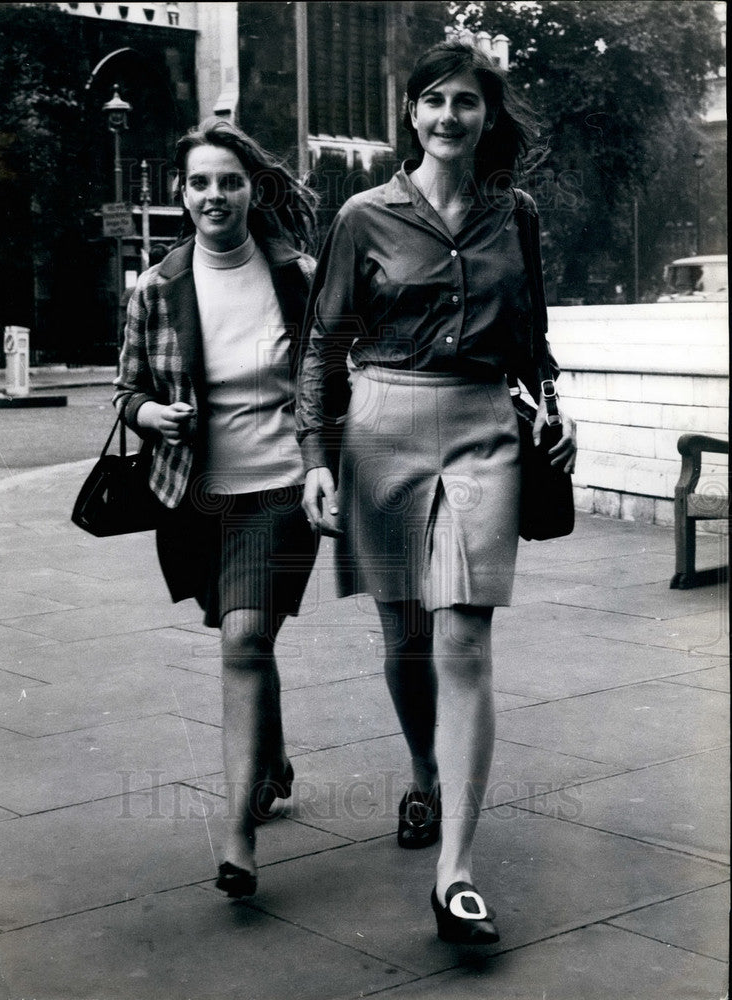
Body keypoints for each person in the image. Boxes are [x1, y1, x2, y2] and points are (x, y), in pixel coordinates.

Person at [297, 37, 577, 944]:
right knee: (406, 638)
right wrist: (313, 454)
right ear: (410, 114)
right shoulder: (363, 215)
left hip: (484, 425)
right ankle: (424, 769)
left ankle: (456, 867)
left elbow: (531, 329)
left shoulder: (516, 213)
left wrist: (552, 402)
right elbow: (322, 344)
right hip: (382, 424)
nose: (450, 117)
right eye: (434, 102)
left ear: (487, 115)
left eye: (467, 102)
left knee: (463, 638)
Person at [114, 117, 319, 899]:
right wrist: (149, 417)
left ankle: (236, 833)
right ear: (182, 193)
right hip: (192, 497)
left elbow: (330, 380)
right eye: (199, 182)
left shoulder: (296, 274)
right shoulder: (157, 288)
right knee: (245, 638)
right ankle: (271, 762)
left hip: (282, 491)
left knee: (241, 638)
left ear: (252, 189)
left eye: (228, 181)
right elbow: (126, 387)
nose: (213, 195)